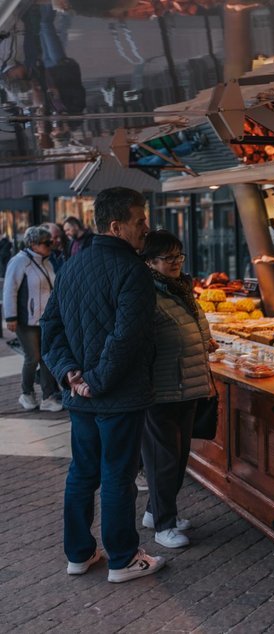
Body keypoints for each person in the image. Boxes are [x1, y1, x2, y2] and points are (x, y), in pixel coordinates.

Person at [41, 186, 165, 583]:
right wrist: (92, 381)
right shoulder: (133, 272)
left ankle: (78, 555)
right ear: (116, 226)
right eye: (139, 221)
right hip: (117, 395)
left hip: (81, 396)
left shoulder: (71, 266)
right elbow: (126, 338)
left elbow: (51, 328)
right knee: (116, 476)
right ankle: (123, 559)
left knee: (82, 474)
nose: (146, 227)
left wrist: (70, 374)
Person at [140, 230, 215, 549]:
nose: (175, 263)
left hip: (189, 384)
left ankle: (153, 511)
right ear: (150, 262)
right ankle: (163, 525)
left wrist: (204, 340)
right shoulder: (146, 293)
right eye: (168, 258)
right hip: (163, 388)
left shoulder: (182, 289)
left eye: (179, 255)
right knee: (163, 458)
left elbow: (196, 323)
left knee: (179, 454)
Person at [3, 225, 61, 412]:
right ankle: (26, 393)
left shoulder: (47, 261)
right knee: (32, 357)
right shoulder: (19, 262)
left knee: (46, 357)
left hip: (45, 319)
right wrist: (10, 316)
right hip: (25, 320)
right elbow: (10, 289)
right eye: (46, 243)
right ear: (33, 244)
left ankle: (48, 395)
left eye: (50, 242)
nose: (50, 246)